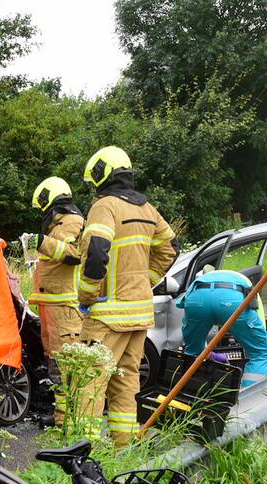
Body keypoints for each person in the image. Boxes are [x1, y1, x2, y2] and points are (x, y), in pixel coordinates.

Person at [76, 146, 179, 445]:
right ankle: (123, 450)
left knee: (88, 385)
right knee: (125, 384)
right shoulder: (147, 209)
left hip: (108, 317)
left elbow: (96, 252)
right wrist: (144, 282)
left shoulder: (105, 206)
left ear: (102, 175)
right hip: (138, 316)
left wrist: (88, 294)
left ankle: (84, 455)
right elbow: (171, 248)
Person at [25, 176, 85, 426]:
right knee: (55, 363)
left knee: (66, 365)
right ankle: (62, 416)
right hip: (52, 306)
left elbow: (74, 255)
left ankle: (70, 418)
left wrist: (43, 243)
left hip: (64, 308)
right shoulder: (59, 225)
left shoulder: (72, 222)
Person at [178, 268, 267, 387]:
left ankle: (191, 391)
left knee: (192, 352)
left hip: (196, 297)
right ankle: (248, 395)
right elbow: (259, 322)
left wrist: (212, 355)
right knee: (261, 353)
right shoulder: (245, 283)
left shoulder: (203, 278)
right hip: (232, 298)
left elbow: (193, 331)